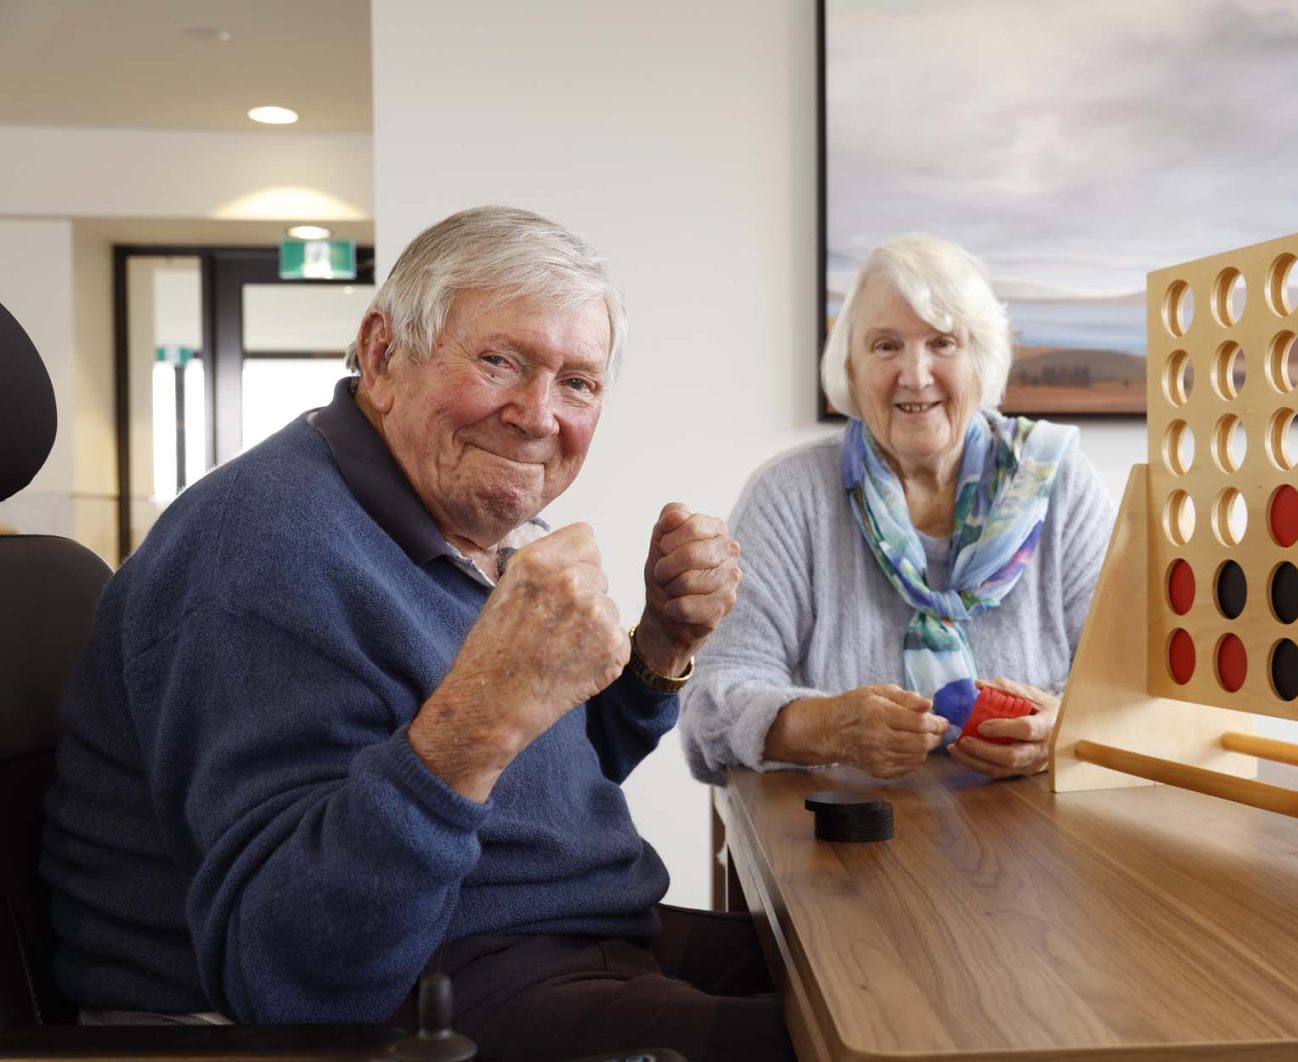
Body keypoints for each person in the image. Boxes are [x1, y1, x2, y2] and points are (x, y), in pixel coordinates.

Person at [41, 206, 794, 1062]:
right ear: (382, 352)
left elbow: (540, 779)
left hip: (561, 931)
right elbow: (296, 973)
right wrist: (484, 708)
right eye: (500, 361)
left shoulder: (468, 528)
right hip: (405, 997)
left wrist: (660, 645)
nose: (537, 414)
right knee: (867, 1042)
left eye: (577, 382)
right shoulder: (261, 548)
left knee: (862, 973)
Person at [681, 235, 1113, 784]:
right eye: (886, 346)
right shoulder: (790, 495)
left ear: (982, 359)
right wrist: (828, 726)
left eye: (943, 343)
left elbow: (1129, 687)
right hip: (842, 836)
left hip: (1039, 832)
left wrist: (1065, 731)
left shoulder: (1061, 484)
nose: (915, 375)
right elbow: (713, 703)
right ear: (852, 370)